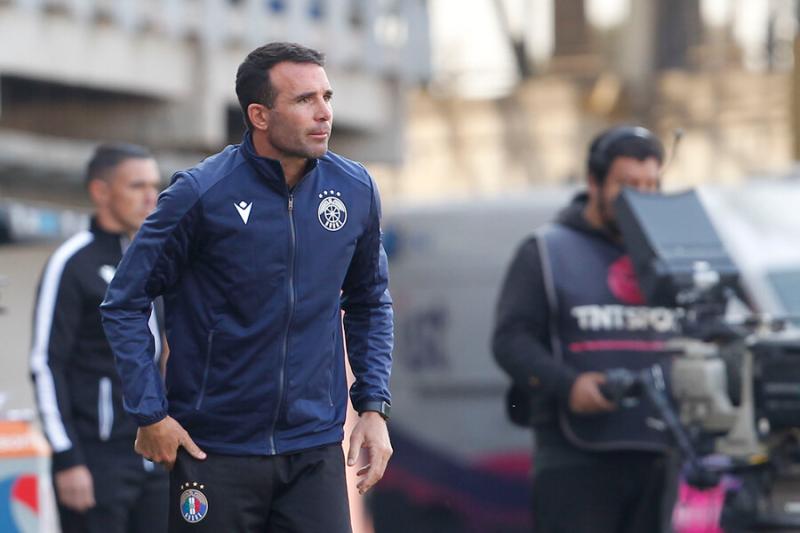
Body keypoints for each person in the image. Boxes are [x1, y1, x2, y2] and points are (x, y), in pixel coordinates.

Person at [100, 42, 394, 533]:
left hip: (314, 450)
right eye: (304, 100)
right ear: (259, 115)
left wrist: (373, 406)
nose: (324, 113)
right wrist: (150, 414)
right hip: (214, 450)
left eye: (326, 96)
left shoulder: (355, 189)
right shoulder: (200, 193)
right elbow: (124, 303)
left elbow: (369, 301)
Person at [492, 126, 678, 533]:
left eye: (651, 185)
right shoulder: (546, 251)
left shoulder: (671, 257)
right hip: (575, 459)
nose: (641, 197)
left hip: (658, 453)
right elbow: (510, 340)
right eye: (628, 185)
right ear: (594, 183)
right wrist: (568, 386)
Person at [30, 143, 167, 533]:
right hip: (95, 461)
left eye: (154, 186)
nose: (150, 197)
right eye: (137, 186)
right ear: (100, 192)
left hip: (155, 455)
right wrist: (67, 458)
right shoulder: (72, 262)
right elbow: (45, 363)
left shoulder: (155, 258)